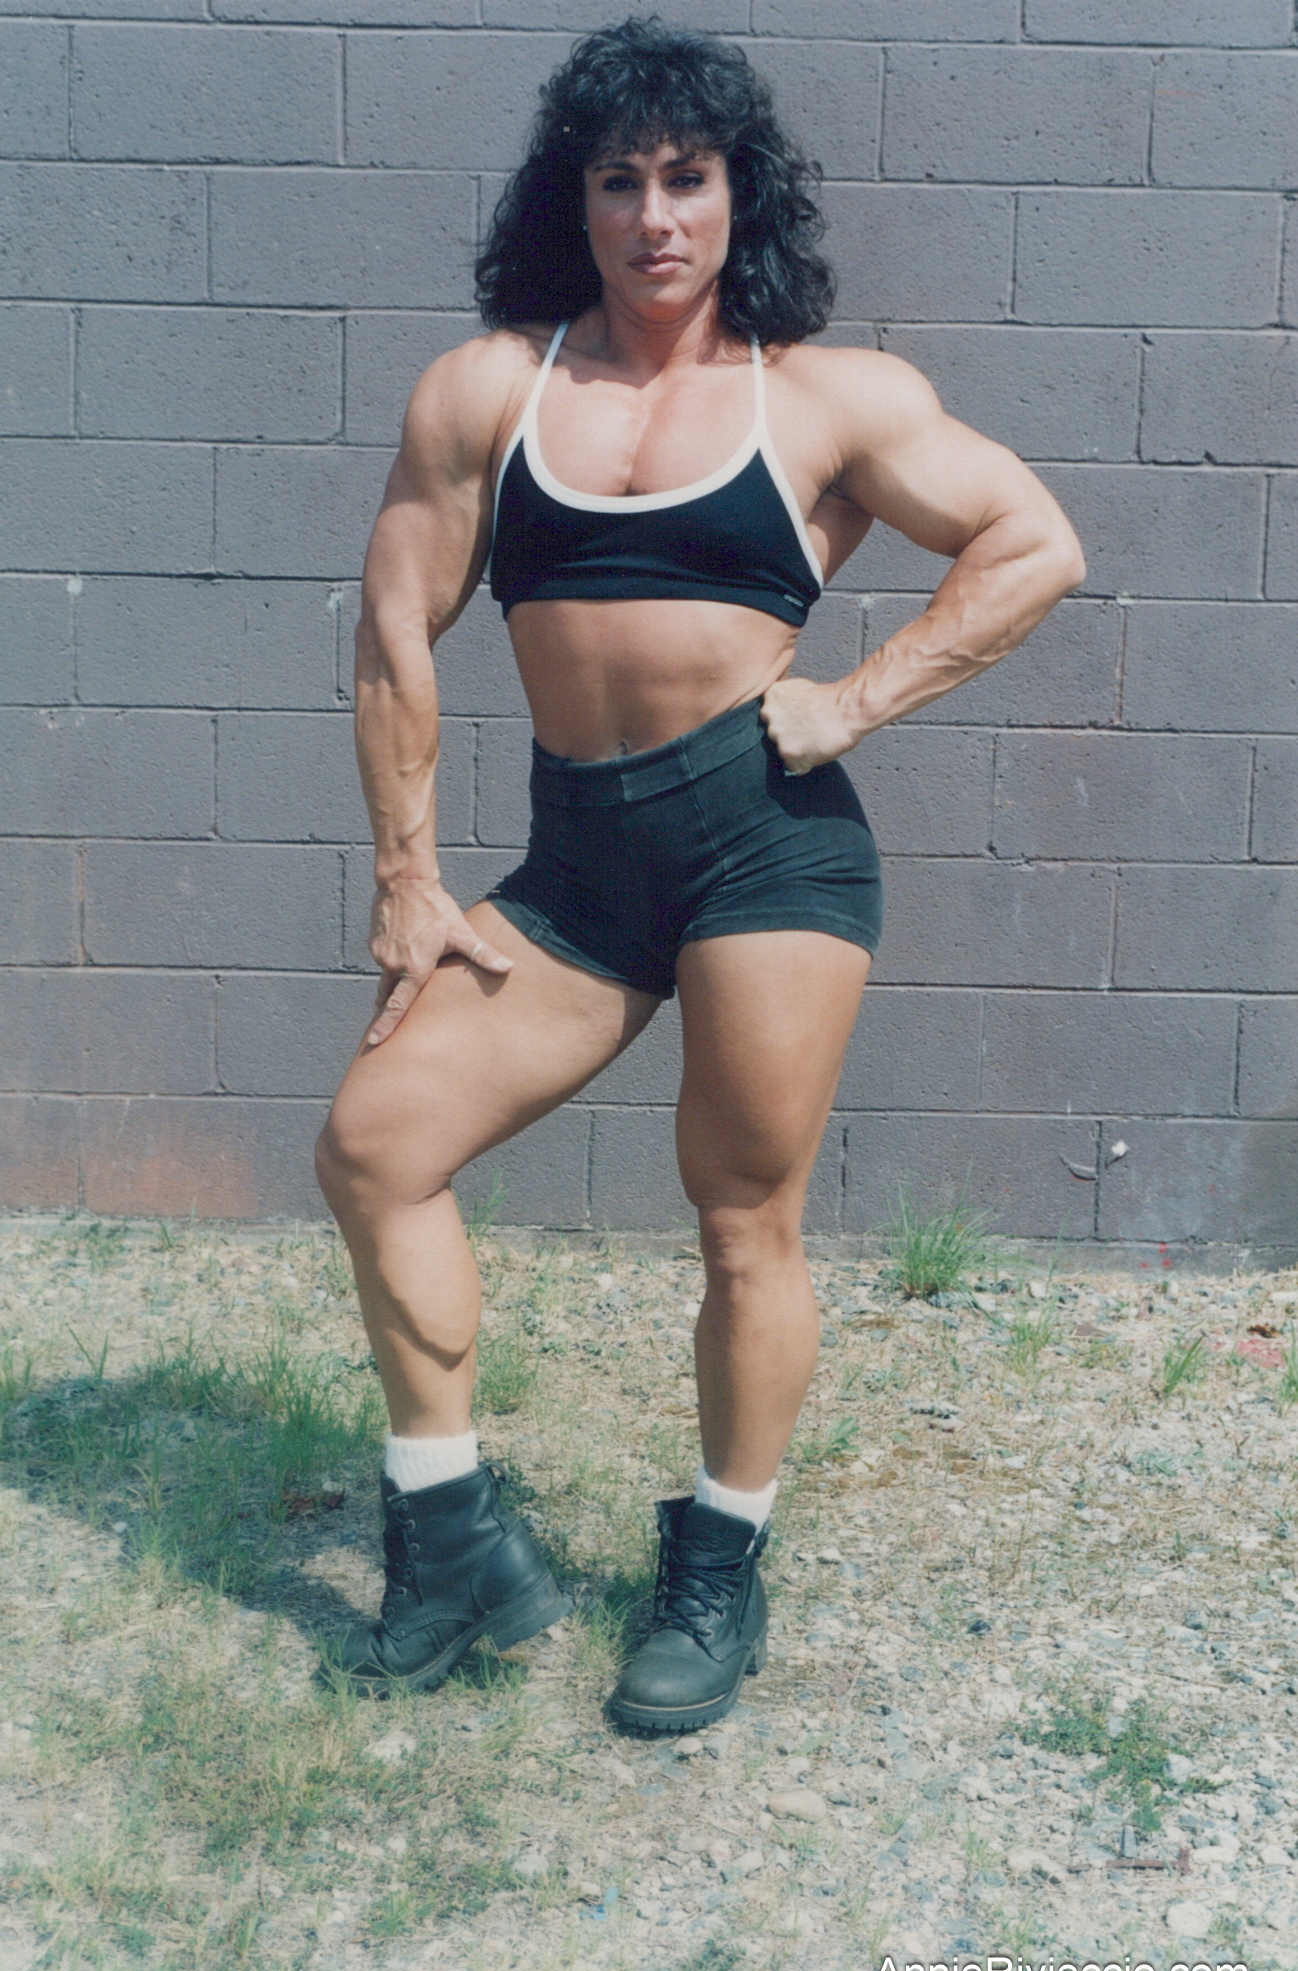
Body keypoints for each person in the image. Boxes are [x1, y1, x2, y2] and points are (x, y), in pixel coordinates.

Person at [314, 17, 1084, 1732]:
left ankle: (718, 1561)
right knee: (375, 1145)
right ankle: (453, 1538)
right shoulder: (486, 392)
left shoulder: (824, 398)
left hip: (763, 850)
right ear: (572, 201)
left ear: (739, 196)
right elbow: (392, 632)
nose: (654, 216)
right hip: (575, 870)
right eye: (618, 181)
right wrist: (405, 877)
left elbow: (1032, 540)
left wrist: (857, 699)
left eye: (686, 178)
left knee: (741, 1220)